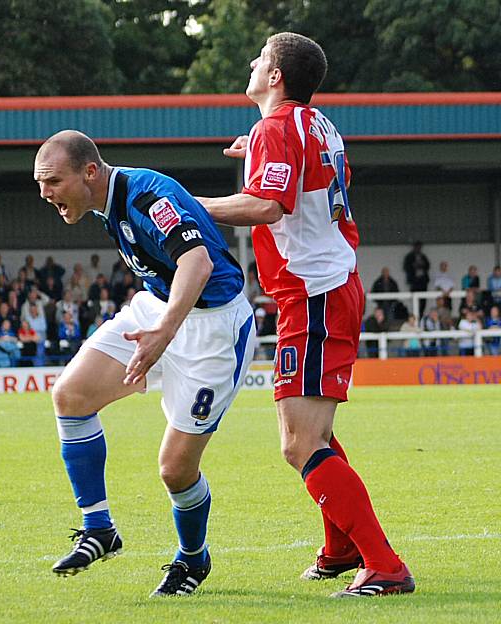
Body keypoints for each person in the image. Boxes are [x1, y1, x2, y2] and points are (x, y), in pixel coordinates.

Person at [196, 32, 414, 598]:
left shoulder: (278, 127)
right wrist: (259, 153)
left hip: (314, 292)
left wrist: (187, 204)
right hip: (325, 285)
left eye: (260, 58)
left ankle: (383, 564)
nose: (251, 62)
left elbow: (269, 205)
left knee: (299, 442)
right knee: (314, 434)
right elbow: (306, 179)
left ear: (275, 77)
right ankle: (341, 548)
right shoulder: (314, 124)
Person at [33, 129, 255, 597]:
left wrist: (165, 332)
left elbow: (198, 263)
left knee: (175, 469)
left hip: (212, 327)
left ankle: (193, 559)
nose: (45, 193)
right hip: (158, 307)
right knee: (70, 396)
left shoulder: (149, 194)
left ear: (90, 172)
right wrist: (161, 324)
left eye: (52, 181)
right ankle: (99, 529)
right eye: (40, 184)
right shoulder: (107, 203)